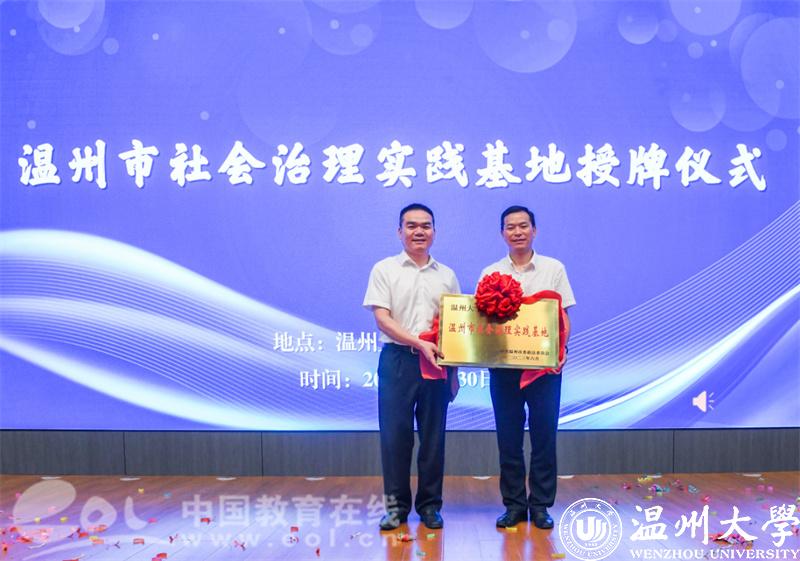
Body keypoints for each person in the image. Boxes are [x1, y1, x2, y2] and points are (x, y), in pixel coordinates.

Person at [363, 203, 461, 531]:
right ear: (400, 231)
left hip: (436, 364)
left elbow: (455, 327)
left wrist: (454, 373)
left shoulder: (446, 275)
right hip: (398, 361)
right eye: (412, 225)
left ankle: (430, 507)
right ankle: (396, 509)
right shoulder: (384, 270)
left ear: (434, 231)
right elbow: (382, 319)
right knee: (395, 439)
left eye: (426, 225)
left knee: (433, 439)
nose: (419, 231)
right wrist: (419, 343)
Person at [479, 205, 576, 530]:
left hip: (544, 370)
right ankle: (514, 506)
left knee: (544, 437)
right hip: (504, 368)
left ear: (534, 230)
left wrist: (561, 350)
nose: (517, 232)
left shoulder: (553, 268)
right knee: (508, 439)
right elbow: (482, 321)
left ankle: (541, 506)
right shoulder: (491, 272)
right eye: (511, 227)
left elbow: (563, 316)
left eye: (523, 225)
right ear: (502, 233)